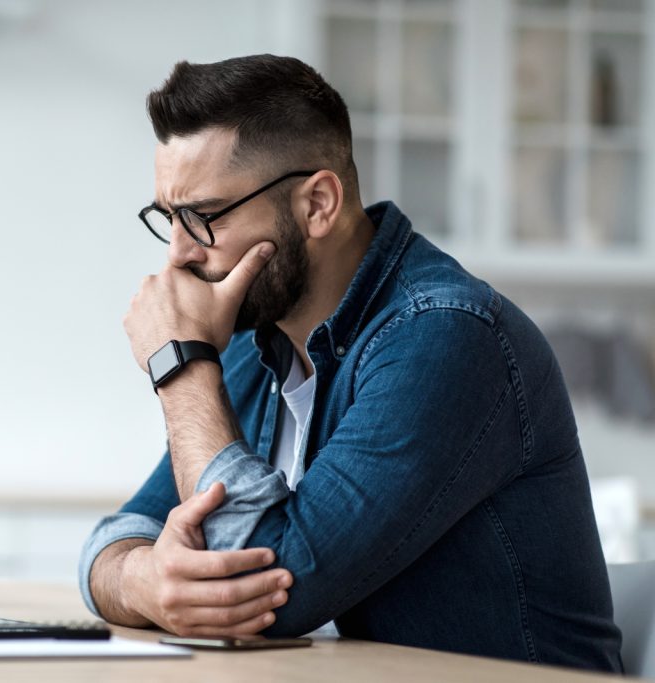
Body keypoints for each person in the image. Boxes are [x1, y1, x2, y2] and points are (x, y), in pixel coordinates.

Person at [77, 54, 622, 672]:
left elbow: (268, 591)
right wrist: (147, 582)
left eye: (202, 218)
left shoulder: (444, 334)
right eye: (168, 218)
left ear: (318, 205)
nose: (177, 256)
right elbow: (115, 538)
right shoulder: (257, 344)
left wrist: (179, 364)